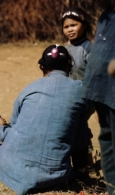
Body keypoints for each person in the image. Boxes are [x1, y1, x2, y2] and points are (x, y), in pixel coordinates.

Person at [0, 45, 94, 195]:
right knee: (80, 122)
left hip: (10, 169)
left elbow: (15, 122)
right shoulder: (80, 89)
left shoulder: (30, 88)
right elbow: (89, 108)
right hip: (54, 177)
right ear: (70, 67)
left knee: (1, 132)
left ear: (42, 67)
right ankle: (81, 170)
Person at [82, 0, 115, 194]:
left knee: (108, 138)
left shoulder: (107, 15)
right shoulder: (107, 16)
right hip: (106, 85)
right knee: (109, 138)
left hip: (99, 82)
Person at [62, 7, 95, 172]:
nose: (70, 29)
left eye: (74, 25)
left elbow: (97, 74)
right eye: (66, 26)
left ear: (84, 25)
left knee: (78, 125)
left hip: (86, 96)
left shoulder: (88, 48)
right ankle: (85, 163)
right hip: (70, 95)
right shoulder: (64, 48)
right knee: (77, 126)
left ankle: (84, 164)